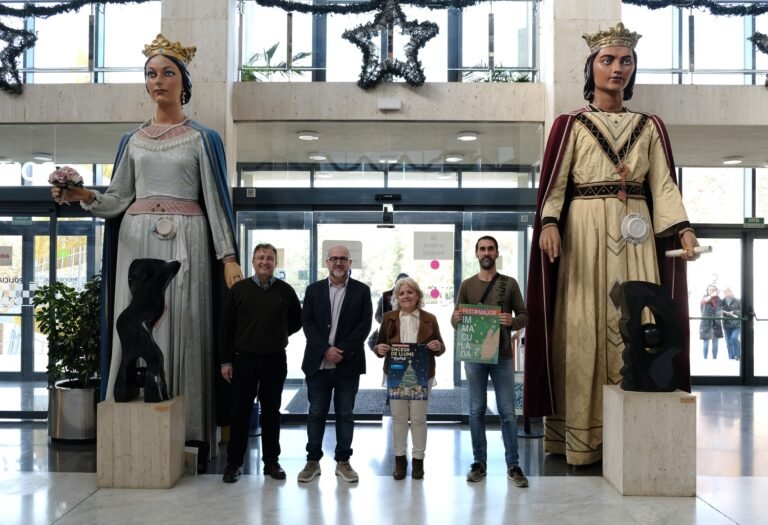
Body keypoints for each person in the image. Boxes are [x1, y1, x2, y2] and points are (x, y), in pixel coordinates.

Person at [50, 34, 243, 448]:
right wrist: (83, 195)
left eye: (168, 73)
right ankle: (129, 413)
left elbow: (214, 200)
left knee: (181, 319)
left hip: (186, 239)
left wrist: (227, 256)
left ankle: (188, 429)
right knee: (133, 321)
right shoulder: (132, 140)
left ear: (183, 82)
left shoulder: (202, 139)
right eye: (151, 74)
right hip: (136, 241)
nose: (159, 81)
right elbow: (119, 198)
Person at [524, 22, 700, 466]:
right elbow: (556, 186)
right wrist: (548, 222)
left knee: (641, 324)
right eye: (608, 60)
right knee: (583, 327)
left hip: (637, 231)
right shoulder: (571, 125)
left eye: (626, 61)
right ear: (592, 67)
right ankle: (582, 437)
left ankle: (634, 434)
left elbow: (662, 185)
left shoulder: (650, 126)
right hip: (583, 233)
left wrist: (683, 229)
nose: (617, 68)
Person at [219, 244, 302, 483]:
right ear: (253, 262)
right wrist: (225, 361)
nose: (265, 262)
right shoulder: (239, 290)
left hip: (275, 359)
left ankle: (271, 462)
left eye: (269, 258)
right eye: (260, 258)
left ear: (275, 263)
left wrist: (277, 333)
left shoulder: (285, 291)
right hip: (243, 360)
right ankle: (234, 463)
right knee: (240, 413)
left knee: (271, 413)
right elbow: (225, 329)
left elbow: (296, 321)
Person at [451, 236, 529, 487]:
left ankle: (513, 465)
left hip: (503, 355)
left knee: (507, 411)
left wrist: (512, 322)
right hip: (474, 356)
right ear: (476, 253)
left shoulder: (510, 283)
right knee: (476, 411)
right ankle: (479, 463)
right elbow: (456, 322)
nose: (486, 252)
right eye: (482, 248)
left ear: (496, 253)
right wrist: (456, 318)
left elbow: (525, 315)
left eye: (490, 248)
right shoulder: (466, 285)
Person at [298, 245, 372, 483]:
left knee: (345, 413)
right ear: (327, 262)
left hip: (347, 364)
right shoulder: (313, 290)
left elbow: (364, 325)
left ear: (349, 263)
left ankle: (343, 461)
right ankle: (312, 461)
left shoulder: (362, 291)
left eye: (343, 259)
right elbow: (307, 324)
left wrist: (341, 350)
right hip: (318, 364)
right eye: (334, 259)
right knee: (316, 412)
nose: (338, 263)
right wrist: (325, 350)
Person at [373, 277, 445, 480]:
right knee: (398, 418)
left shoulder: (430, 318)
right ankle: (399, 461)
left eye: (410, 292)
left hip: (423, 375)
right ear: (396, 297)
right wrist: (379, 349)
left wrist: (438, 347)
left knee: (418, 418)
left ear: (418, 295)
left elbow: (441, 346)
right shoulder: (388, 318)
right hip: (395, 374)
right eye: (401, 293)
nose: (406, 296)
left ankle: (418, 461)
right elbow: (378, 346)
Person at [367, 272, 409, 350]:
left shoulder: (411, 297)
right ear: (396, 283)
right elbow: (377, 316)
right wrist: (388, 323)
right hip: (389, 334)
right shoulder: (385, 296)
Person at [700, 284, 723, 360]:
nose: (712, 291)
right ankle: (705, 359)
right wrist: (712, 295)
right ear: (707, 290)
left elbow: (721, 310)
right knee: (706, 343)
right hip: (706, 324)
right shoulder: (705, 297)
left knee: (715, 344)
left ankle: (714, 359)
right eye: (710, 289)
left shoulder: (719, 299)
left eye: (713, 289)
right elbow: (704, 301)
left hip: (716, 323)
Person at [721, 288, 742, 360]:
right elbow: (718, 311)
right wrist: (722, 312)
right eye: (725, 292)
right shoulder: (722, 301)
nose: (727, 294)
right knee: (729, 342)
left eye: (729, 292)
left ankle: (738, 354)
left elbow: (742, 311)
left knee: (734, 338)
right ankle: (731, 357)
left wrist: (734, 312)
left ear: (732, 292)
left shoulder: (738, 300)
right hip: (726, 324)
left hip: (737, 324)